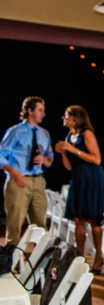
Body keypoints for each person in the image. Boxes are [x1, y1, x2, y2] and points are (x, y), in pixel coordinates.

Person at [54, 105, 104, 272]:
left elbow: (96, 159)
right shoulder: (69, 136)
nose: (64, 118)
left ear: (76, 118)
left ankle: (99, 257)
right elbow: (68, 166)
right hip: (77, 178)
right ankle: (80, 257)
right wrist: (63, 152)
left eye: (66, 115)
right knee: (78, 219)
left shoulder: (87, 134)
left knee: (93, 219)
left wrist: (72, 150)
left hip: (91, 178)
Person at [1, 96, 53, 245]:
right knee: (15, 224)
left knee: (41, 224)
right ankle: (12, 265)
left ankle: (39, 263)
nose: (43, 114)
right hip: (19, 180)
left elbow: (50, 158)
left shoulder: (44, 133)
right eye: (40, 110)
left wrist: (45, 160)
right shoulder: (15, 131)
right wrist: (13, 172)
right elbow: (1, 155)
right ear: (30, 111)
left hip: (38, 179)